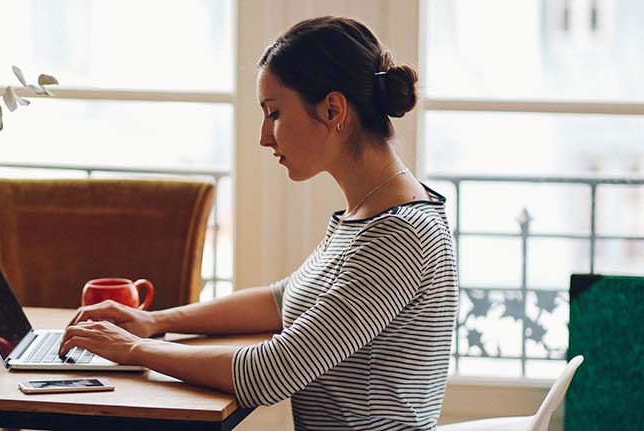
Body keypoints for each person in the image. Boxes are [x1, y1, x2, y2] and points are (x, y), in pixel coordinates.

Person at [59, 16, 457, 431]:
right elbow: (281, 300)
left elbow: (270, 373)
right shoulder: (369, 216)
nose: (264, 137)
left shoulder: (400, 236)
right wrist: (155, 321)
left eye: (274, 113)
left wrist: (136, 349)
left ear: (333, 109)